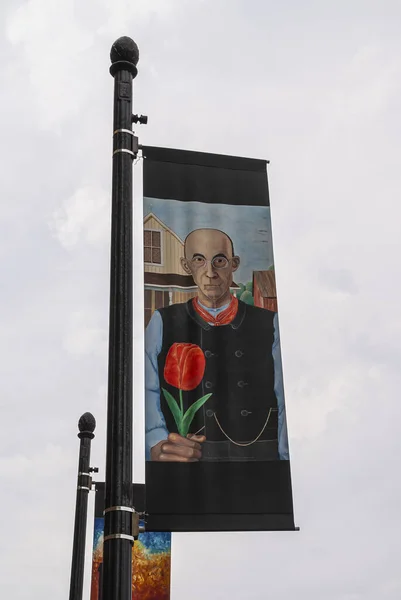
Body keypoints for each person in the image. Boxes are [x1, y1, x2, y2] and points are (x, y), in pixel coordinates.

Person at [145, 228, 289, 462]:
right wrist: (157, 442)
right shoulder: (163, 321)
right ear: (186, 265)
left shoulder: (269, 323)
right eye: (199, 260)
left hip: (260, 456)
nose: (210, 272)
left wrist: (284, 458)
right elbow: (147, 391)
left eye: (219, 260)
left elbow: (283, 396)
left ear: (234, 264)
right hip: (191, 462)